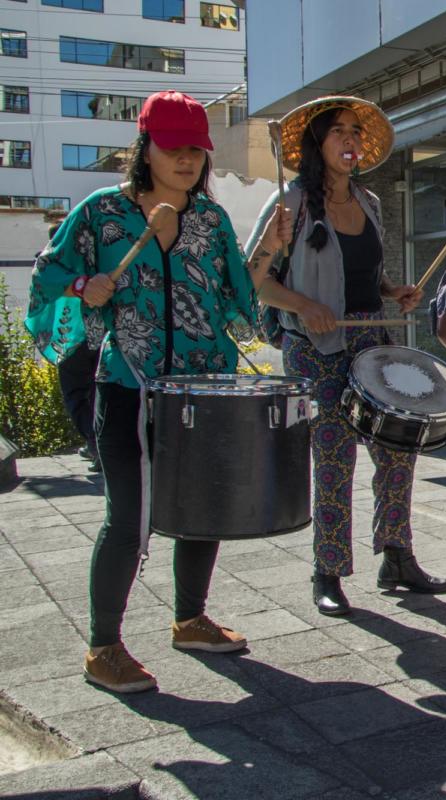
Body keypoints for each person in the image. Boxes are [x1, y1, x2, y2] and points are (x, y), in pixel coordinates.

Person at [24, 90, 292, 693]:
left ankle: (190, 619)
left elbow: (239, 306)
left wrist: (272, 246)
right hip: (128, 388)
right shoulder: (101, 214)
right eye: (173, 148)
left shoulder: (211, 221)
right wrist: (83, 287)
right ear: (144, 148)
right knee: (129, 519)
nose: (186, 160)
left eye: (195, 149)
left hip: (203, 389)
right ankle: (103, 647)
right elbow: (48, 274)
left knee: (204, 512)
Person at [248, 97, 446, 617]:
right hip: (315, 348)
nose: (351, 140)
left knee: (398, 448)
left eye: (356, 132)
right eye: (338, 131)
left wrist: (393, 291)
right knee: (334, 457)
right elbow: (255, 283)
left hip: (370, 338)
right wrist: (304, 305)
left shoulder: (371, 202)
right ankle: (329, 572)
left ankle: (397, 556)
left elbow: (364, 275)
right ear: (317, 144)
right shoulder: (289, 206)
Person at [43, 221, 102, 472]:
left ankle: (95, 445)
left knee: (77, 395)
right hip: (100, 335)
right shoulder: (96, 263)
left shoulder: (51, 268)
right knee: (99, 393)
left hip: (71, 339)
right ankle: (98, 444)